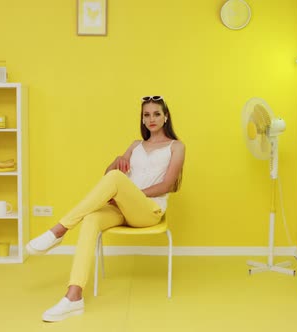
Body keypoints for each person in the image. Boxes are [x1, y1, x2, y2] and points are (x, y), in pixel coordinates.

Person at [26, 95, 186, 322]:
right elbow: (107, 179)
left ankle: (59, 230)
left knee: (116, 180)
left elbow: (167, 184)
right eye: (146, 114)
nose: (151, 119)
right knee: (91, 218)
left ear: (166, 116)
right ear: (142, 119)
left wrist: (127, 194)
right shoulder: (135, 145)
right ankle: (74, 296)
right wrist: (117, 159)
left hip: (149, 211)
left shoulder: (176, 146)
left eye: (156, 114)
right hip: (123, 210)